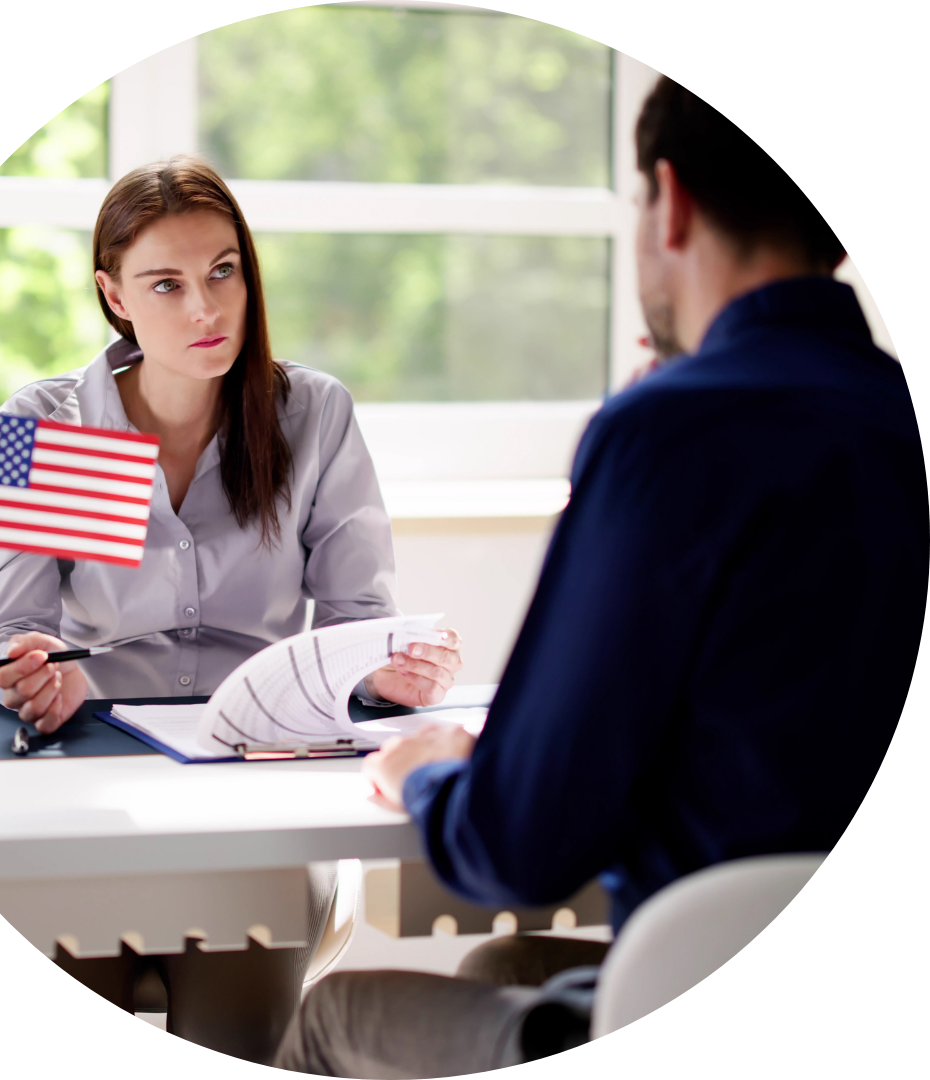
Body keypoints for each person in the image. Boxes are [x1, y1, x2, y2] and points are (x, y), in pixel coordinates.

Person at [271, 74, 930, 1078]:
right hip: (872, 1017)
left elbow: (520, 843)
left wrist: (431, 772)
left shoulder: (667, 434)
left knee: (332, 1018)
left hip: (707, 1033)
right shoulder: (902, 432)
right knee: (504, 959)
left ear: (670, 201)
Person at [0, 156, 464, 1059]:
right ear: (113, 295)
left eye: (223, 272)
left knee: (242, 962)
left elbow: (358, 621)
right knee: (55, 996)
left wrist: (386, 672)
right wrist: (30, 674)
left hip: (256, 783)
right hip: (95, 776)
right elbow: (8, 634)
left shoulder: (313, 414)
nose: (206, 310)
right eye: (167, 283)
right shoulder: (39, 423)